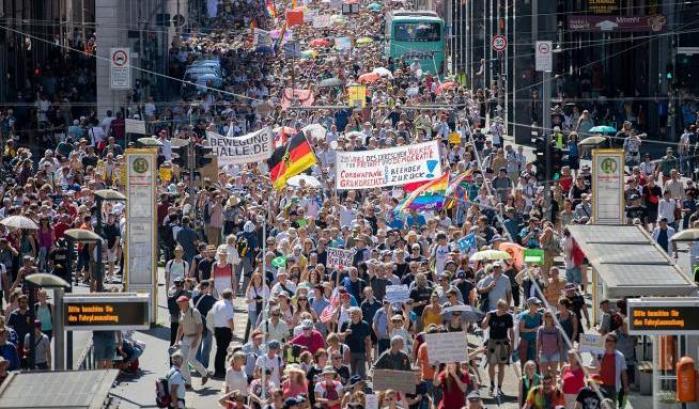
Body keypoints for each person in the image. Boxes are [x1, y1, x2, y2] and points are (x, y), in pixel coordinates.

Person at [173, 295, 209, 388]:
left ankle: (204, 373)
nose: (179, 305)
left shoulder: (194, 312)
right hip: (186, 338)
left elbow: (200, 327)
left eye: (181, 303)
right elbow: (180, 328)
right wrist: (176, 341)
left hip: (195, 337)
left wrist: (196, 340)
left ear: (186, 303)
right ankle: (188, 382)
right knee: (182, 360)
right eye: (178, 303)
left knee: (191, 359)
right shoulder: (181, 313)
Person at [480, 299, 514, 396]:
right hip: (492, 342)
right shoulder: (491, 315)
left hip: (504, 342)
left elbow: (511, 331)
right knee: (491, 365)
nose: (506, 311)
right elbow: (483, 327)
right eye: (504, 309)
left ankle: (499, 387)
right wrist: (487, 317)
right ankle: (492, 385)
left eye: (506, 309)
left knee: (501, 366)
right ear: (499, 307)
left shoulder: (508, 317)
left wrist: (512, 343)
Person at [595, 333, 629, 406]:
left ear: (615, 343)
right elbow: (593, 368)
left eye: (611, 341)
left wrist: (625, 387)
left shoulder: (620, 356)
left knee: (612, 406)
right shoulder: (599, 353)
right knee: (599, 406)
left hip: (613, 387)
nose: (609, 342)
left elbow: (623, 373)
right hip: (600, 386)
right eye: (607, 340)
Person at [339, 307, 371, 379]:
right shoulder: (346, 323)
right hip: (348, 353)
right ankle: (352, 389)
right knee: (351, 374)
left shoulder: (364, 325)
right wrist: (345, 333)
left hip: (361, 352)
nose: (352, 315)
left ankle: (362, 389)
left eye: (355, 313)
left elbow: (368, 341)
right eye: (351, 313)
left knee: (361, 374)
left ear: (360, 315)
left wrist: (368, 355)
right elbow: (340, 337)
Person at [211, 288, 236, 379]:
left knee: (220, 350)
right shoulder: (228, 305)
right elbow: (230, 319)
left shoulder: (217, 303)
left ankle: (219, 370)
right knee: (222, 351)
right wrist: (232, 330)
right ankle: (220, 371)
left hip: (217, 329)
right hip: (225, 330)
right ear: (230, 296)